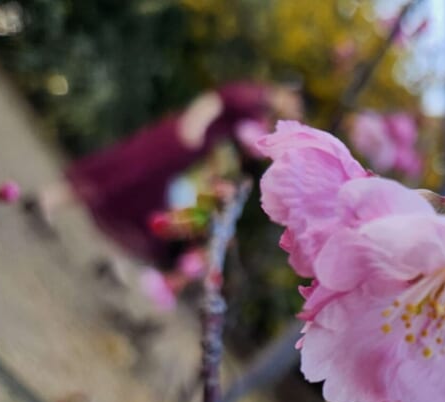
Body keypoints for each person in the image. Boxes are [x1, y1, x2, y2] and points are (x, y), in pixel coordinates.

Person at [27, 81, 301, 266]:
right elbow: (212, 101)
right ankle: (47, 200)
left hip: (186, 157)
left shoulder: (261, 111)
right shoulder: (252, 95)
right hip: (175, 144)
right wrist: (193, 127)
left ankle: (107, 257)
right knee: (120, 174)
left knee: (139, 195)